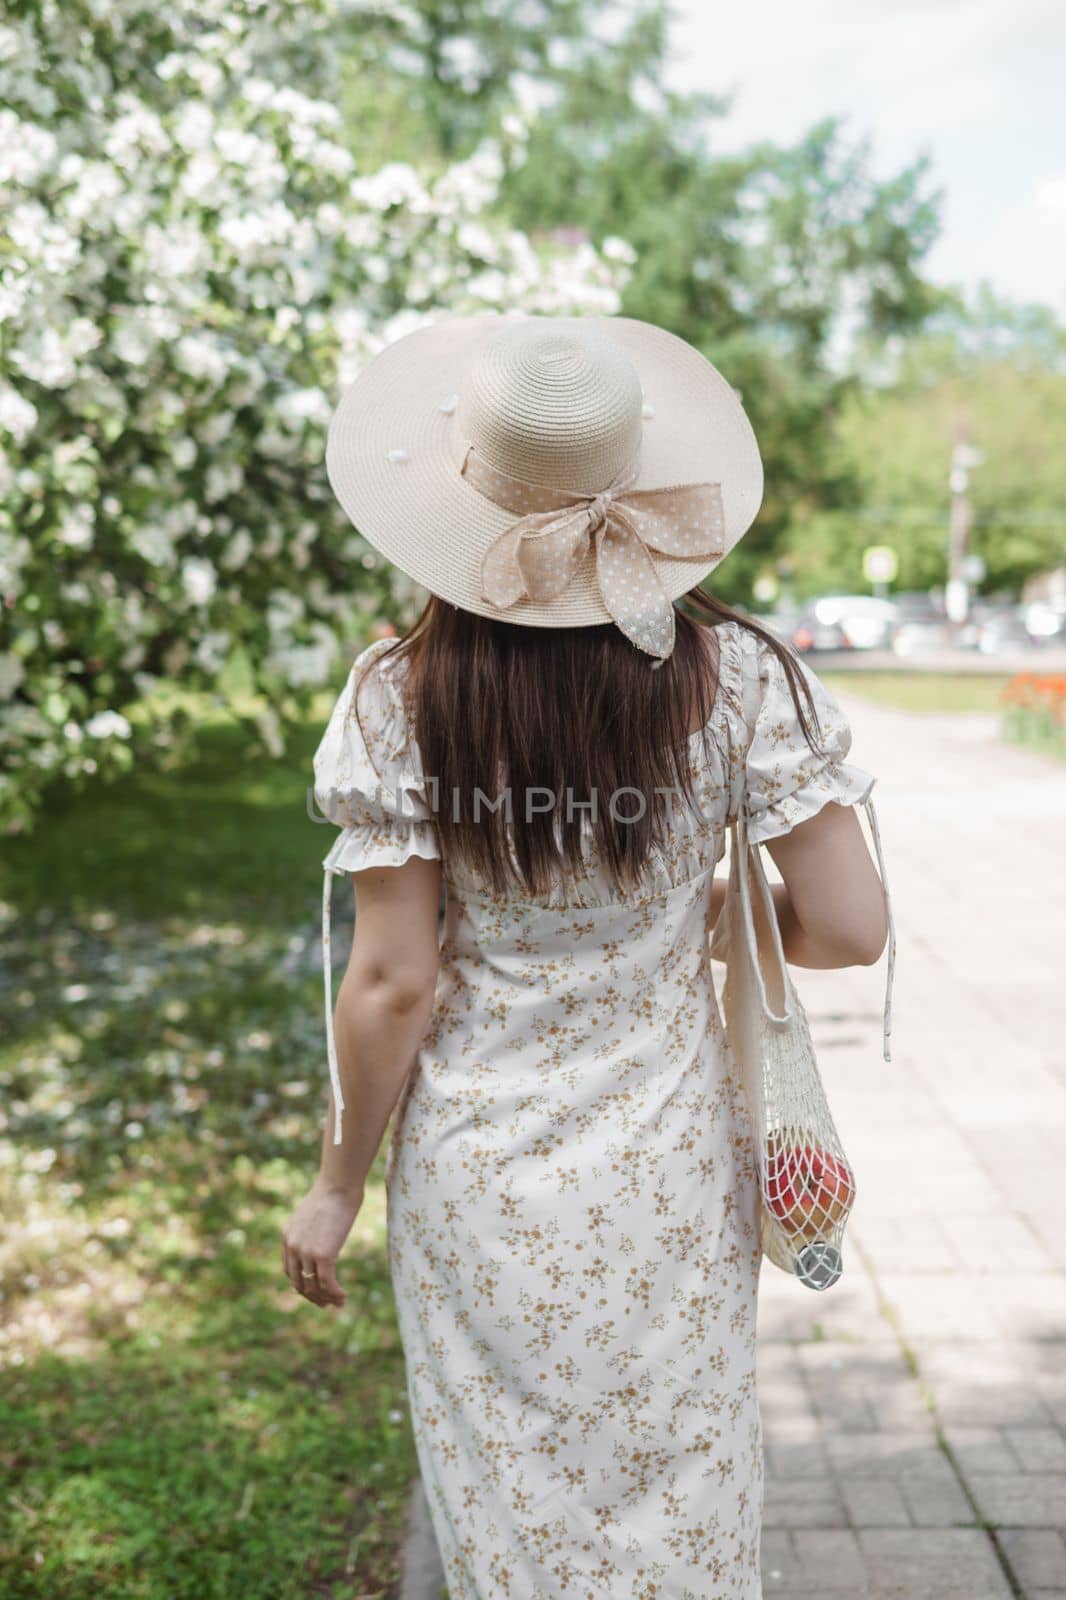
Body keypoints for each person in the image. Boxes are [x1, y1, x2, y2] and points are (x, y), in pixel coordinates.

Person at [281, 313, 893, 1597]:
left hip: (479, 1174)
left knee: (508, 1501)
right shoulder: (741, 683)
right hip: (670, 1167)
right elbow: (848, 928)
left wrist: (336, 1185)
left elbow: (394, 980)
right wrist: (702, 927)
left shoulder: (397, 699)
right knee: (683, 1486)